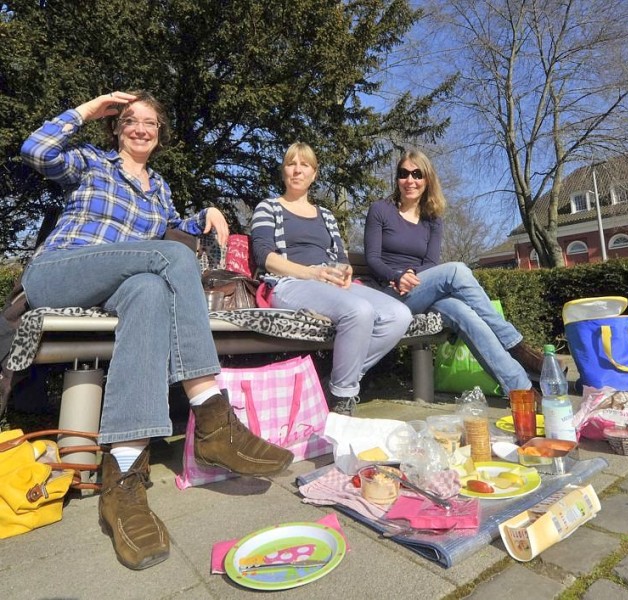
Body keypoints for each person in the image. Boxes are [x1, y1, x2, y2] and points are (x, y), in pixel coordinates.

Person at [20, 91, 293, 571]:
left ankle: (123, 479)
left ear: (160, 134)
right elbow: (36, 151)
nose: (140, 128)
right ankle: (211, 414)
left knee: (148, 290)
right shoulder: (90, 163)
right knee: (168, 259)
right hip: (59, 271)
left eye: (150, 122)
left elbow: (167, 229)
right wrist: (90, 108)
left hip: (120, 285)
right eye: (130, 120)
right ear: (116, 127)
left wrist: (204, 215)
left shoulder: (160, 188)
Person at [364, 149, 565, 398]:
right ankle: (516, 345)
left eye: (417, 174)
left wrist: (411, 275)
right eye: (403, 174)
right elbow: (372, 259)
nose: (410, 180)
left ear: (427, 179)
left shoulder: (432, 219)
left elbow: (430, 263)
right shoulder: (380, 210)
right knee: (457, 270)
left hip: (420, 289)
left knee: (464, 313)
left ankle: (521, 391)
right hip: (391, 295)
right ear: (397, 178)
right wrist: (397, 276)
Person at [250, 142, 412, 416]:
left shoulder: (325, 215)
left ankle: (334, 383)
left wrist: (345, 270)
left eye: (305, 165)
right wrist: (311, 272)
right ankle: (342, 398)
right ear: (284, 171)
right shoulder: (269, 207)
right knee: (359, 311)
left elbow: (341, 255)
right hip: (290, 282)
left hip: (330, 282)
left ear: (314, 174)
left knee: (399, 314)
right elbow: (263, 255)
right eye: (292, 163)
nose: (297, 170)